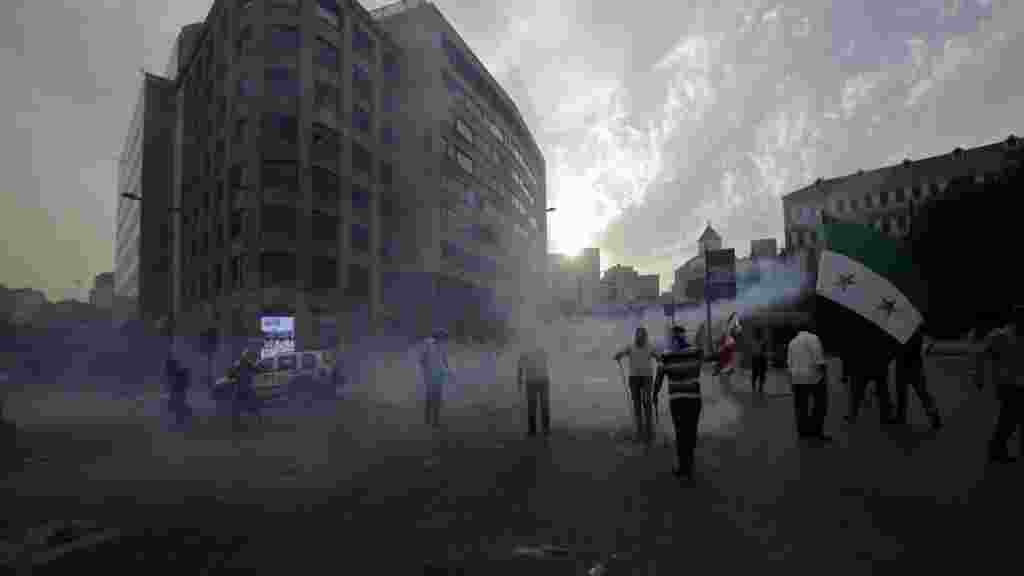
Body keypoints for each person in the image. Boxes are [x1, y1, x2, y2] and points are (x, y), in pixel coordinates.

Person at [654, 325, 704, 481]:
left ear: (672, 338)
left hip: (678, 401)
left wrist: (654, 394)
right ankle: (688, 466)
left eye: (673, 337)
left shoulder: (667, 355)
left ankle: (684, 467)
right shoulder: (695, 352)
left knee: (681, 433)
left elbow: (660, 377)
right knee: (690, 432)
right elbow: (706, 358)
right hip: (693, 399)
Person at [978, 305, 1024, 464]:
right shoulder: (1000, 335)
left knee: (1010, 418)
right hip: (1008, 384)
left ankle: (997, 450)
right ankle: (996, 450)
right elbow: (983, 354)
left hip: (1017, 383)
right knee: (1009, 419)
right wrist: (979, 376)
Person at [787, 322, 833, 444]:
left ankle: (803, 432)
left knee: (801, 406)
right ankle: (816, 432)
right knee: (820, 404)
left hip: (797, 379)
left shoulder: (792, 342)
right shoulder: (813, 338)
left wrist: (791, 382)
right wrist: (826, 377)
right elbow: (819, 360)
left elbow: (789, 365)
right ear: (809, 328)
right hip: (814, 377)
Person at [614, 327, 659, 445]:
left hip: (647, 378)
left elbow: (658, 356)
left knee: (647, 402)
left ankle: (649, 432)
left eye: (642, 336)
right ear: (635, 337)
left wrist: (663, 360)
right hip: (634, 379)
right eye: (638, 336)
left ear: (645, 337)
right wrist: (618, 356)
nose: (640, 339)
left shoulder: (650, 347)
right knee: (637, 405)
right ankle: (639, 432)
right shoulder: (630, 346)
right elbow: (621, 353)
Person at [894, 328, 942, 430]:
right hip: (914, 367)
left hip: (905, 367)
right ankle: (933, 414)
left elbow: (901, 350)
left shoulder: (901, 333)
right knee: (922, 394)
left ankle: (901, 417)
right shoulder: (916, 333)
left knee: (904, 394)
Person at [419, 329, 452, 428]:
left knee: (437, 398)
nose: (443, 339)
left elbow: (444, 359)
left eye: (443, 338)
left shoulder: (442, 345)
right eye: (442, 337)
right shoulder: (428, 343)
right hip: (430, 375)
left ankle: (435, 421)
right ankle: (428, 419)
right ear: (436, 336)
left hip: (439, 375)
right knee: (430, 398)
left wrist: (447, 370)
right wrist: (426, 372)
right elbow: (422, 359)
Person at [518, 342, 551, 438]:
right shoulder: (542, 351)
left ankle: (533, 430)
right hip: (542, 380)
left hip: (533, 381)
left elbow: (520, 367)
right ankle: (545, 429)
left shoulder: (526, 352)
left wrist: (519, 380)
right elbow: (520, 366)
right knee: (543, 405)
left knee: (532, 406)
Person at [233, 349, 261, 430]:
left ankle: (238, 423)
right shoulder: (245, 364)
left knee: (238, 407)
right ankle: (256, 420)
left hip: (243, 388)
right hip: (244, 388)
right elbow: (257, 369)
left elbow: (232, 373)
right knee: (251, 405)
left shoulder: (240, 364)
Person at [750, 327, 769, 397]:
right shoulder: (763, 341)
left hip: (756, 358)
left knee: (756, 373)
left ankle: (756, 386)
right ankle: (758, 387)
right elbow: (764, 351)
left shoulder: (754, 341)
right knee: (760, 373)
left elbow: (753, 351)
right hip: (760, 358)